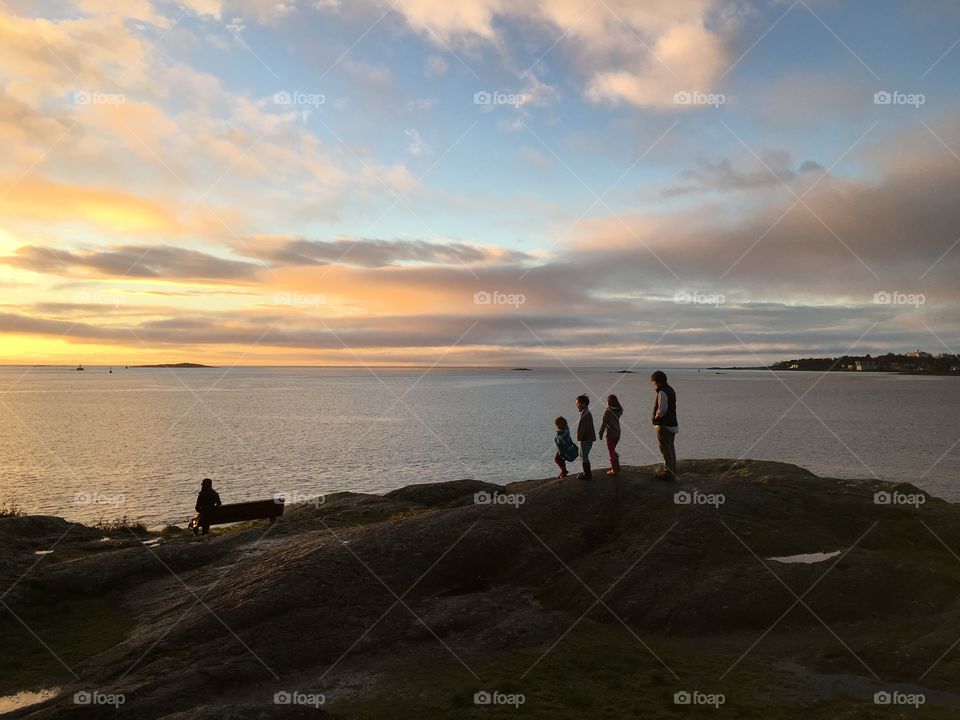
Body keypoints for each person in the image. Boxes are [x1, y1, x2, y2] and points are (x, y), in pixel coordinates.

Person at [650, 371, 678, 480]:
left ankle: (668, 473)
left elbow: (662, 410)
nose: (653, 384)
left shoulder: (662, 392)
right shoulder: (670, 389)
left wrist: (656, 417)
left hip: (664, 425)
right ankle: (672, 472)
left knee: (665, 450)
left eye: (653, 382)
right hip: (672, 424)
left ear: (657, 381)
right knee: (670, 449)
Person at [599, 394, 623, 476]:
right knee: (613, 450)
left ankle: (614, 470)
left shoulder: (608, 411)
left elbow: (604, 423)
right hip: (618, 433)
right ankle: (617, 467)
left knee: (611, 451)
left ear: (608, 402)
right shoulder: (619, 410)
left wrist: (600, 433)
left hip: (610, 434)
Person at [575, 394, 596, 480]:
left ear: (584, 404)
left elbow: (583, 428)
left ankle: (587, 475)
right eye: (576, 404)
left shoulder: (585, 414)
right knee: (584, 456)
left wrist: (579, 437)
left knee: (584, 456)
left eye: (578, 404)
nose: (577, 406)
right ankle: (587, 473)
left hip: (586, 439)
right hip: (588, 438)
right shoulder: (586, 412)